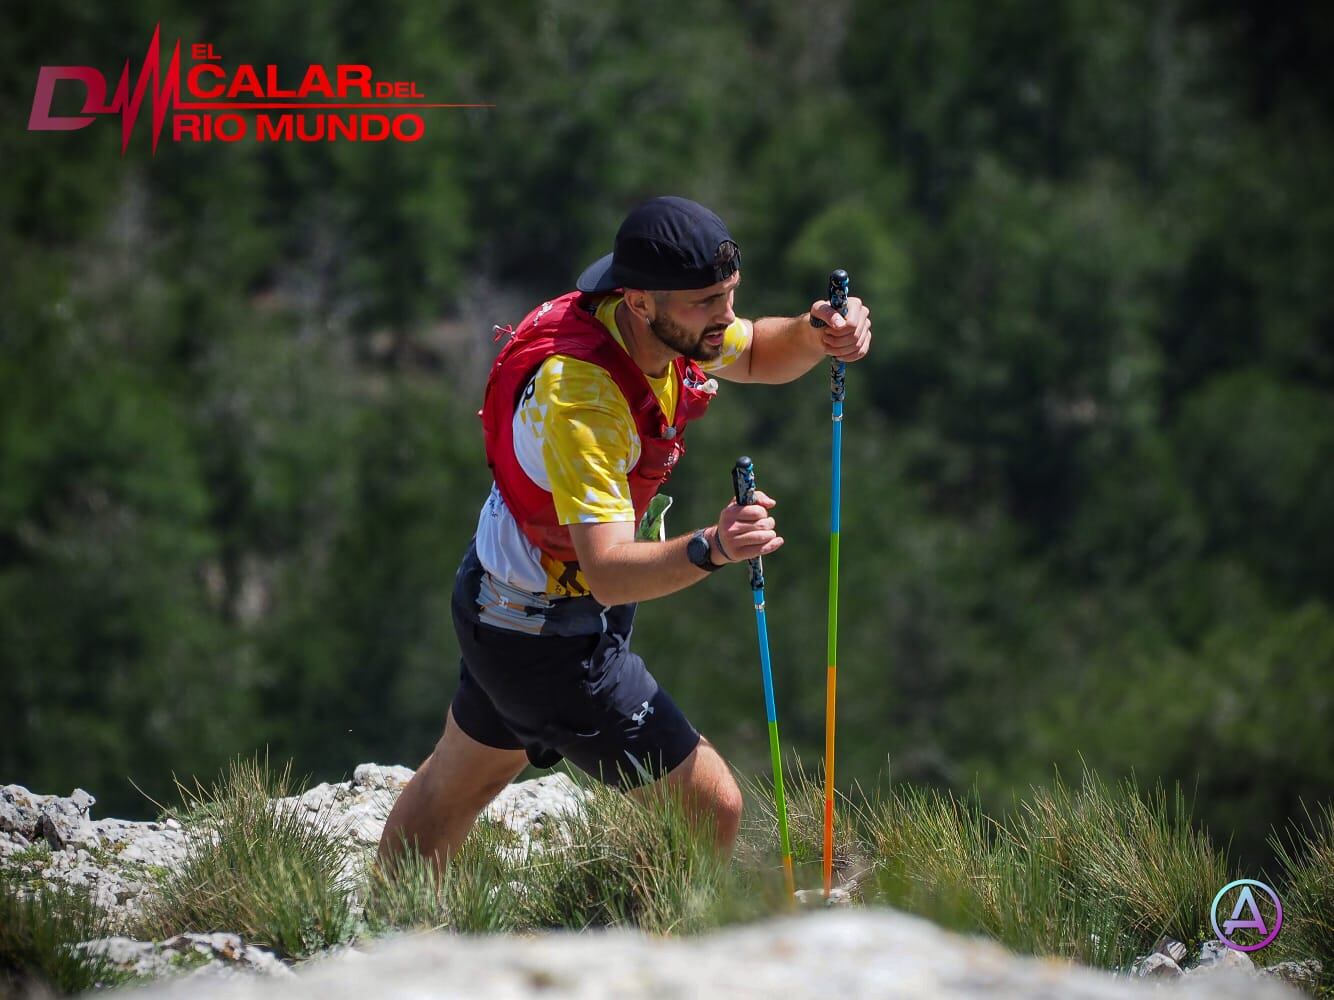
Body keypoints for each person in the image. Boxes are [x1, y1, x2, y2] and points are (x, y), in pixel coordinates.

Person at [378, 196, 871, 871]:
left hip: (504, 603)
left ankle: (388, 926)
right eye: (707, 302)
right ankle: (646, 938)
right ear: (639, 301)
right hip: (546, 636)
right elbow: (608, 572)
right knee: (710, 808)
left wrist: (817, 335)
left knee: (460, 781)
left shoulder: (654, 322)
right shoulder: (584, 398)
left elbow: (758, 349)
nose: (725, 315)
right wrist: (714, 546)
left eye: (730, 293)